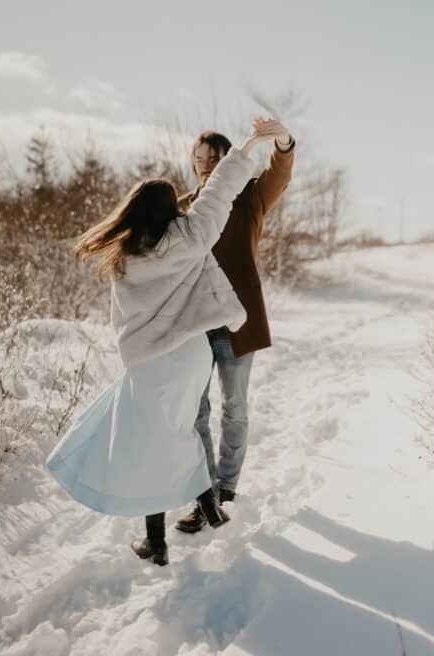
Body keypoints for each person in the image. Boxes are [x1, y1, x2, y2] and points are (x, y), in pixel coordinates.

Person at [46, 119, 278, 566]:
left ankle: (157, 542)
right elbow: (219, 192)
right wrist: (248, 145)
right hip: (191, 353)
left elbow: (122, 319)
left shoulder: (123, 256)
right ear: (171, 208)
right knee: (179, 430)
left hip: (150, 362)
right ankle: (210, 508)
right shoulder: (190, 237)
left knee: (153, 440)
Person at [176, 117, 295, 534]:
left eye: (215, 158)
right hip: (194, 325)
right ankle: (204, 494)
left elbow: (279, 174)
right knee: (195, 411)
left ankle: (226, 487)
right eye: (199, 158)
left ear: (230, 161)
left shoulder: (249, 198)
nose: (206, 164)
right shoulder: (184, 207)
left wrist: (281, 141)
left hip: (237, 322)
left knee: (234, 408)